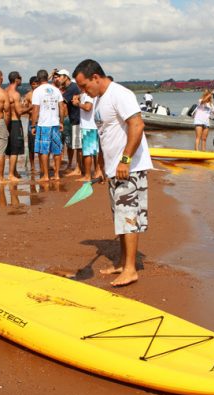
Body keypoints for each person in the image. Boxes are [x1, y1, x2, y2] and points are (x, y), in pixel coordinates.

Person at [72, 59, 153, 287]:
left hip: (130, 168)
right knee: (120, 218)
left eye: (84, 85)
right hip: (115, 170)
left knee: (128, 218)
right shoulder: (99, 100)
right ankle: (121, 262)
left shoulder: (120, 94)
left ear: (95, 77)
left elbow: (137, 125)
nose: (82, 91)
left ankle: (130, 269)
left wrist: (125, 160)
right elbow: (106, 135)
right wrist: (103, 168)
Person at [30, 69, 64, 182]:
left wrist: (33, 125)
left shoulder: (37, 91)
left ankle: (45, 175)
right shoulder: (56, 90)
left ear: (38, 79)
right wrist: (61, 121)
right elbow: (61, 107)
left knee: (43, 150)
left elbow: (35, 109)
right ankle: (57, 174)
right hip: (55, 123)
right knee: (56, 150)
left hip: (43, 124)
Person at [56, 69, 83, 176]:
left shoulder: (71, 88)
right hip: (75, 118)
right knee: (77, 145)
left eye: (60, 76)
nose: (58, 78)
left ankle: (78, 169)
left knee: (78, 146)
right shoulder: (71, 87)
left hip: (77, 119)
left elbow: (61, 102)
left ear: (66, 77)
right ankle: (78, 168)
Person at [71, 89, 101, 181]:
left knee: (87, 153)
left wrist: (77, 104)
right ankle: (97, 172)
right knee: (95, 151)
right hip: (92, 125)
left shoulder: (88, 94)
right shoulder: (89, 93)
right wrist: (78, 97)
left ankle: (88, 176)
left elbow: (88, 107)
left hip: (88, 126)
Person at [6, 71, 27, 182]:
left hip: (6, 122)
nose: (21, 79)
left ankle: (13, 171)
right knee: (15, 149)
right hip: (15, 122)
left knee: (10, 148)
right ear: (16, 79)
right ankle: (11, 174)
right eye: (20, 78)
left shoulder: (5, 91)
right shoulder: (15, 94)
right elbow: (19, 111)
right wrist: (30, 108)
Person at [23, 76, 39, 172]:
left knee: (44, 144)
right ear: (31, 85)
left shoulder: (42, 93)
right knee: (31, 145)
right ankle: (32, 165)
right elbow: (23, 109)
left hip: (42, 121)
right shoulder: (28, 95)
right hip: (31, 121)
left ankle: (44, 164)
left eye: (37, 83)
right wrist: (30, 110)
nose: (35, 86)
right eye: (33, 84)